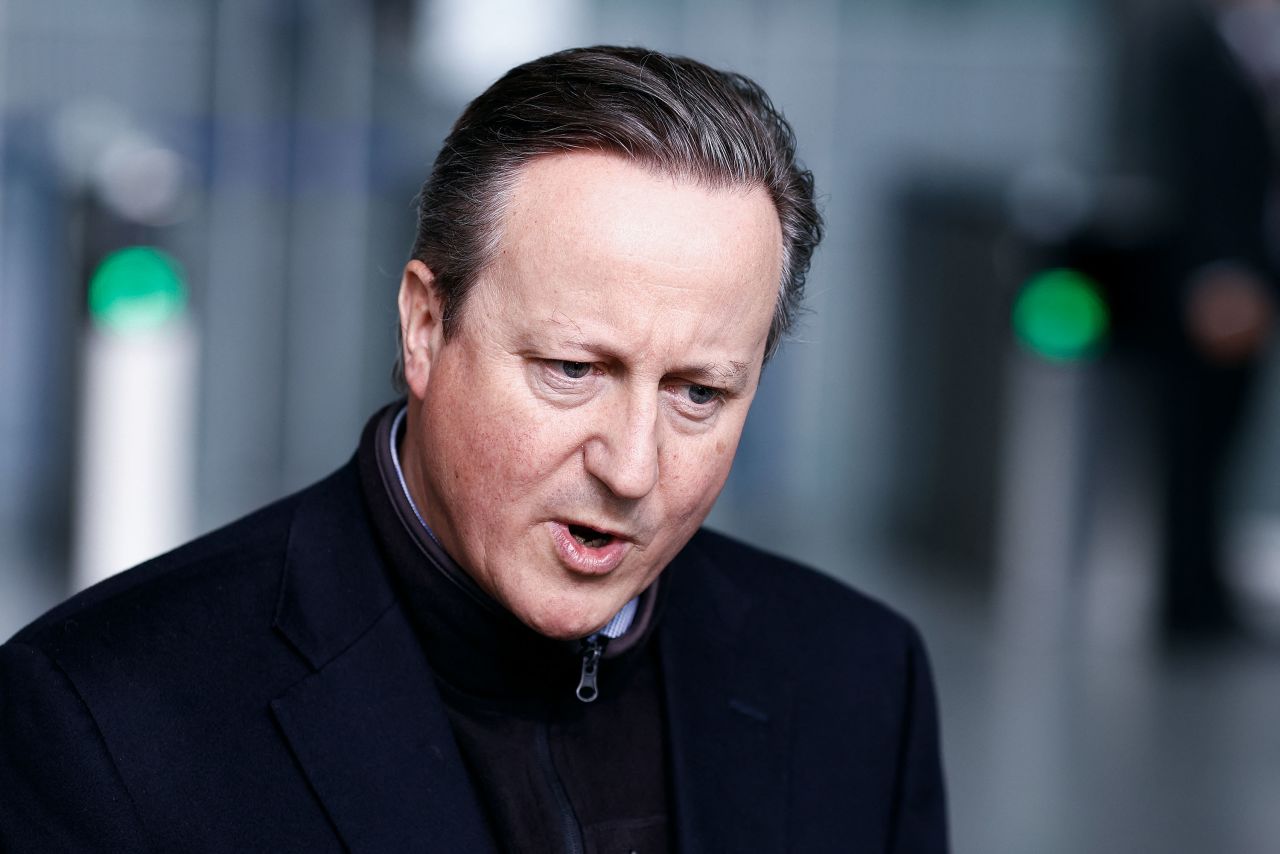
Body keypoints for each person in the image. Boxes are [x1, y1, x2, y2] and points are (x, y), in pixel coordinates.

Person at [0, 46, 947, 852]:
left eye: (699, 393)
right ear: (423, 327)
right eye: (573, 369)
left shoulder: (861, 684)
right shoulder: (106, 722)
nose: (632, 469)